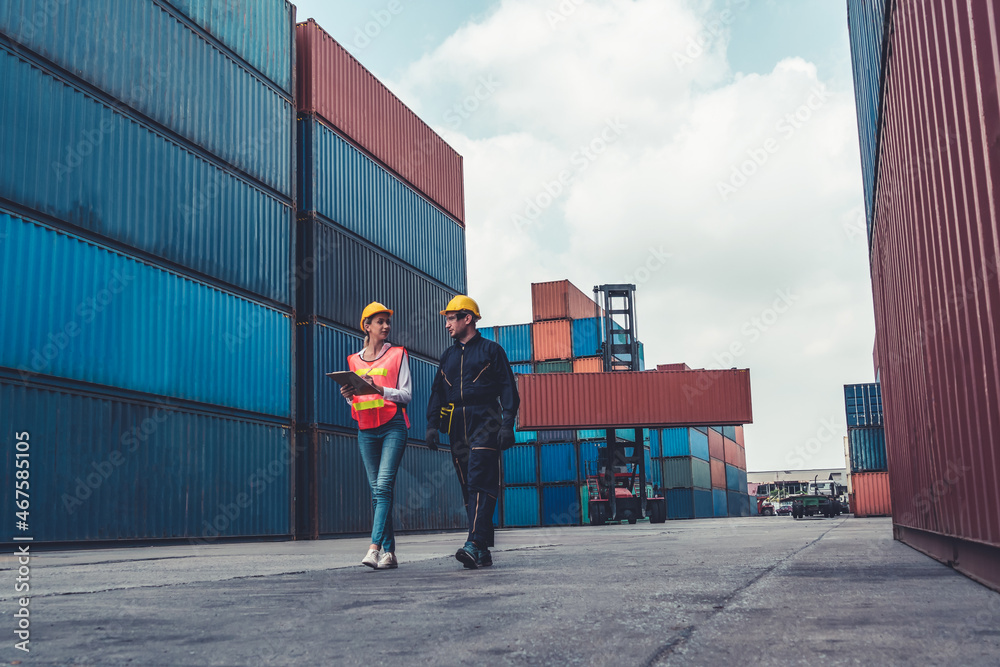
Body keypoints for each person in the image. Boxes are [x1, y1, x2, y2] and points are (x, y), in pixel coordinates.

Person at [426, 295, 519, 569]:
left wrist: (507, 424)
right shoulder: (448, 356)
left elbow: (508, 389)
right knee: (469, 487)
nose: (446, 325)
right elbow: (437, 393)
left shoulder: (492, 351)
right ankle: (483, 548)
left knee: (481, 481)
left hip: (485, 420)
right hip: (457, 425)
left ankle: (474, 543)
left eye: (450, 318)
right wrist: (432, 425)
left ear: (468, 318)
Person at [341, 301, 411, 570]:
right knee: (378, 493)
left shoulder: (398, 354)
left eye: (387, 321)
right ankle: (390, 553)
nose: (386, 326)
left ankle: (374, 548)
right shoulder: (353, 361)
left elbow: (406, 394)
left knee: (382, 487)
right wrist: (348, 397)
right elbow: (357, 400)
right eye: (380, 322)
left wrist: (381, 390)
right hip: (366, 429)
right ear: (366, 326)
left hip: (393, 425)